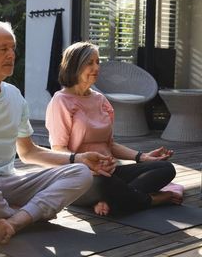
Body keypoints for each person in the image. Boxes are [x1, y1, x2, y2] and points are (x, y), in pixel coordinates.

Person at [0, 21, 115, 244]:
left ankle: (11, 220)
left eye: (13, 48)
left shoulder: (14, 96)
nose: (12, 55)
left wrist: (78, 158)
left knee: (81, 173)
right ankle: (27, 214)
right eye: (3, 49)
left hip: (7, 184)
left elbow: (29, 152)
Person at [45, 41, 183, 216]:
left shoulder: (100, 100)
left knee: (165, 168)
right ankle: (152, 200)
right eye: (90, 63)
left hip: (111, 172)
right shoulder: (61, 101)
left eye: (97, 62)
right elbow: (58, 150)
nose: (96, 67)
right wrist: (87, 166)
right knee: (106, 184)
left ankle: (110, 200)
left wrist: (142, 157)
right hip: (81, 177)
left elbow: (110, 144)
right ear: (74, 66)